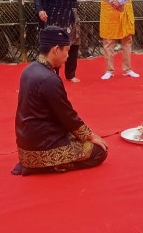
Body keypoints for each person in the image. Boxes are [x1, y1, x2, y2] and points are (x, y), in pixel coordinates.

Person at [11, 26, 109, 176]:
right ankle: (46, 167)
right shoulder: (49, 79)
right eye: (67, 51)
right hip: (41, 147)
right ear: (56, 49)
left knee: (79, 138)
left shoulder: (29, 70)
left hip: (27, 144)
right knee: (99, 151)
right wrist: (90, 135)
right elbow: (67, 115)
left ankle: (37, 164)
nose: (68, 56)